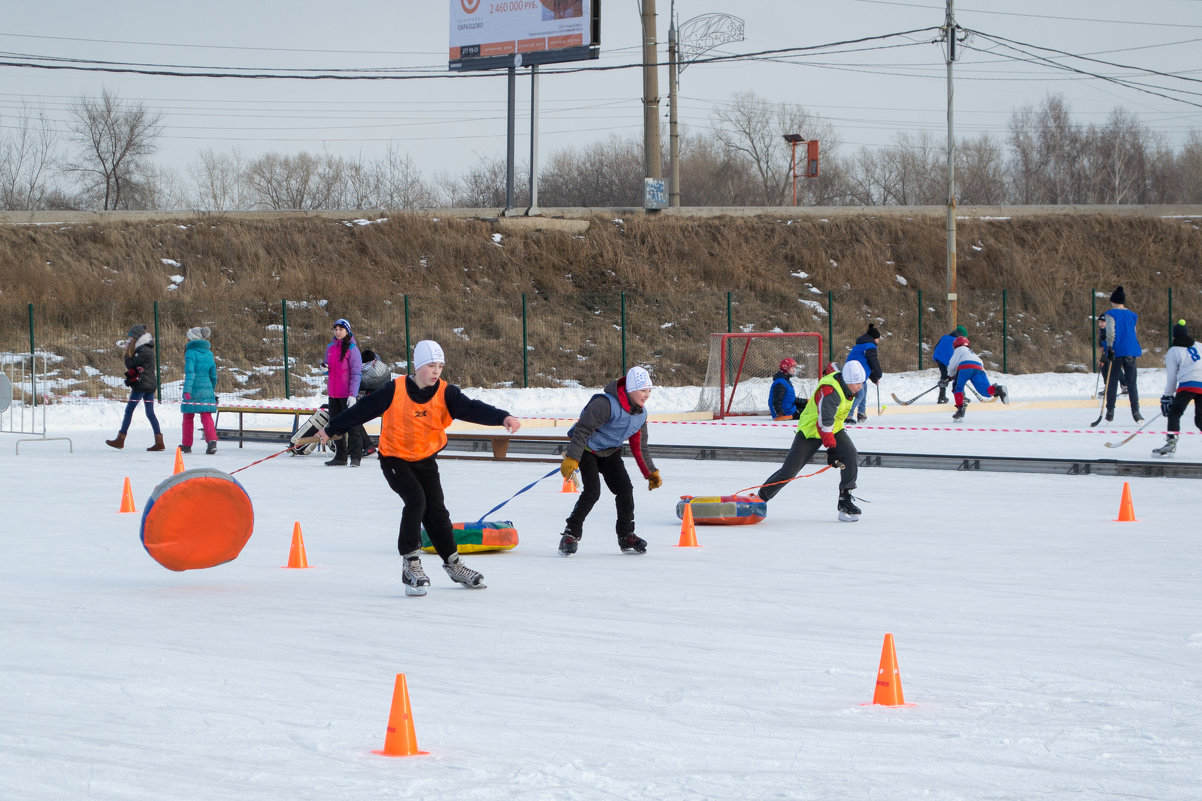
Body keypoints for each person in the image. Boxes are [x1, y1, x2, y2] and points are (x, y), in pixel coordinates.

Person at [317, 339, 520, 595]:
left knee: (437, 510)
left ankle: (453, 564)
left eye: (440, 366)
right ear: (418, 366)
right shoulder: (395, 390)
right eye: (431, 365)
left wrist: (502, 416)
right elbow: (363, 410)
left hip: (425, 458)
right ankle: (411, 563)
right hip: (394, 459)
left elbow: (472, 408)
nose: (436, 371)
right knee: (416, 500)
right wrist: (332, 428)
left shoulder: (447, 393)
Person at [558, 366, 662, 556]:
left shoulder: (640, 414)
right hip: (587, 450)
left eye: (649, 391)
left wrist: (650, 472)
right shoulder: (605, 404)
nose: (646, 395)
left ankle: (626, 535)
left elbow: (640, 446)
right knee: (592, 492)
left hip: (610, 453)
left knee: (625, 489)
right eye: (642, 390)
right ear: (630, 389)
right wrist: (573, 458)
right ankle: (570, 533)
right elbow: (582, 430)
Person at [756, 360, 865, 521]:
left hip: (834, 428)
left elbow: (831, 423)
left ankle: (845, 499)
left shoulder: (852, 388)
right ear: (846, 381)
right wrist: (832, 450)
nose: (859, 387)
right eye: (856, 383)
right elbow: (823, 423)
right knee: (789, 471)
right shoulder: (830, 391)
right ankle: (759, 500)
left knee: (851, 454)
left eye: (861, 382)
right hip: (811, 431)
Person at [106, 324, 165, 451]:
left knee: (129, 411)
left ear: (136, 338)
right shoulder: (146, 348)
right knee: (150, 413)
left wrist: (127, 354)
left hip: (142, 385)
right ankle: (159, 441)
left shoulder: (143, 350)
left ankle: (120, 439)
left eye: (131, 338)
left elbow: (131, 365)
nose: (129, 340)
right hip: (149, 384)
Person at [322, 318, 369, 466]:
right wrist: (324, 370)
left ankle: (355, 457)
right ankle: (340, 456)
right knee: (336, 426)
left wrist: (352, 395)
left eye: (341, 329)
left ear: (347, 331)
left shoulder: (352, 349)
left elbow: (356, 374)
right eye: (335, 329)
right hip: (333, 394)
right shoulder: (330, 347)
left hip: (347, 394)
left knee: (352, 426)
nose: (337, 332)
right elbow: (328, 368)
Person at [1153, 320, 1202, 457]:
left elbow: (1172, 376)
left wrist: (1168, 396)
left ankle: (1171, 443)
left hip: (1188, 384)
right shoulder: (1199, 345)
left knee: (1174, 413)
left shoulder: (1173, 351)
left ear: (1174, 336)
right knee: (1200, 420)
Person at [1102, 286, 1143, 422]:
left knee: (1112, 381)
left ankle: (1110, 411)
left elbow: (1110, 332)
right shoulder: (1132, 315)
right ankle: (1136, 412)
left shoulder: (1111, 314)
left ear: (1113, 301)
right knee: (1132, 383)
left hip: (1117, 350)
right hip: (1131, 350)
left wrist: (1109, 347)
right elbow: (1133, 332)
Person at [947, 335, 1009, 421]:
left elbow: (952, 365)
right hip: (979, 367)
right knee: (985, 391)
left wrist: (951, 375)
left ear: (957, 344)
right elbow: (978, 364)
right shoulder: (971, 352)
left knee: (957, 387)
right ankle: (997, 389)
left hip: (966, 366)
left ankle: (960, 410)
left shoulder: (959, 349)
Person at [181, 326, 218, 454]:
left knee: (188, 417)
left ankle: (186, 444)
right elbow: (213, 375)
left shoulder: (190, 352)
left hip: (193, 388)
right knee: (206, 416)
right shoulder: (209, 353)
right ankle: (212, 442)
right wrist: (211, 390)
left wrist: (187, 391)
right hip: (207, 387)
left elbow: (190, 373)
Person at [844, 324, 882, 423]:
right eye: (878, 339)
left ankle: (861, 413)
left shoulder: (860, 345)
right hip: (855, 374)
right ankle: (847, 414)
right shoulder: (870, 346)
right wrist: (878, 374)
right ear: (875, 338)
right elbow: (873, 361)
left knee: (864, 389)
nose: (878, 341)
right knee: (860, 394)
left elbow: (866, 363)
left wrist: (874, 378)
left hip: (855, 372)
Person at [357, 349, 391, 458]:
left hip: (378, 404)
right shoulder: (381, 365)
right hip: (386, 401)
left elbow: (361, 385)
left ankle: (368, 445)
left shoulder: (368, 375)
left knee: (353, 417)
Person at [932, 324, 967, 404]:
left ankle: (941, 397)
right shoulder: (959, 341)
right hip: (950, 358)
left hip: (939, 357)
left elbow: (936, 347)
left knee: (944, 376)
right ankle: (962, 396)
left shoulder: (945, 337)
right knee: (959, 376)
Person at [1097, 316, 1128, 396]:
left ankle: (1125, 385)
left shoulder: (1110, 331)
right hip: (1107, 352)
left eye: (1102, 322)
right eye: (1099, 322)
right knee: (1104, 368)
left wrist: (1103, 359)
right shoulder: (1102, 331)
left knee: (1114, 368)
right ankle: (1107, 386)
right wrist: (1101, 346)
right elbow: (1100, 340)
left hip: (1114, 352)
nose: (1100, 324)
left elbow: (1111, 343)